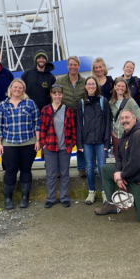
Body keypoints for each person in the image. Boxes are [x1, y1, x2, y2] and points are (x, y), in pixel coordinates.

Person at [0, 79, 41, 210]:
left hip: (28, 142)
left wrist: (38, 141)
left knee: (26, 170)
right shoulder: (2, 105)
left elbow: (37, 123)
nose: (17, 89)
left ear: (23, 90)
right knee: (10, 171)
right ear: (10, 88)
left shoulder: (30, 104)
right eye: (15, 87)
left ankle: (25, 197)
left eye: (20, 88)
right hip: (9, 143)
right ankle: (8, 198)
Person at [39, 85, 76, 208]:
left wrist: (72, 143)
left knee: (65, 173)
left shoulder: (68, 110)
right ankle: (51, 198)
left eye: (59, 94)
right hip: (50, 147)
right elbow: (42, 128)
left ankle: (64, 197)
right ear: (51, 94)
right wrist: (43, 143)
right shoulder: (45, 110)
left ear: (62, 95)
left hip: (64, 147)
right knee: (51, 173)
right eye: (55, 93)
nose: (57, 96)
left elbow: (72, 129)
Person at [77, 76, 111, 205]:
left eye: (93, 84)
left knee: (102, 167)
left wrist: (107, 142)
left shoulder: (103, 101)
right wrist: (79, 143)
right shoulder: (81, 103)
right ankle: (91, 192)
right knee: (90, 167)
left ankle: (104, 193)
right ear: (85, 86)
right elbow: (79, 124)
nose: (91, 86)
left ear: (96, 86)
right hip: (87, 141)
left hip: (101, 140)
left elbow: (108, 122)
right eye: (89, 84)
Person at [55, 56, 88, 178]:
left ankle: (82, 168)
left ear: (79, 66)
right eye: (71, 64)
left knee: (81, 142)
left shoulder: (85, 81)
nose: (73, 67)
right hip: (64, 117)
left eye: (75, 65)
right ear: (67, 66)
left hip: (81, 117)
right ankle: (60, 168)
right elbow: (55, 97)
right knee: (63, 142)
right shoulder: (60, 81)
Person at [109, 77, 140, 160]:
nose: (120, 88)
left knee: (129, 160)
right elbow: (109, 119)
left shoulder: (130, 101)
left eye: (123, 86)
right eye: (118, 86)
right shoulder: (111, 103)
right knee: (118, 160)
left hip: (128, 136)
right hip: (116, 137)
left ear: (126, 88)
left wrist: (132, 131)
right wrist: (111, 130)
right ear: (114, 87)